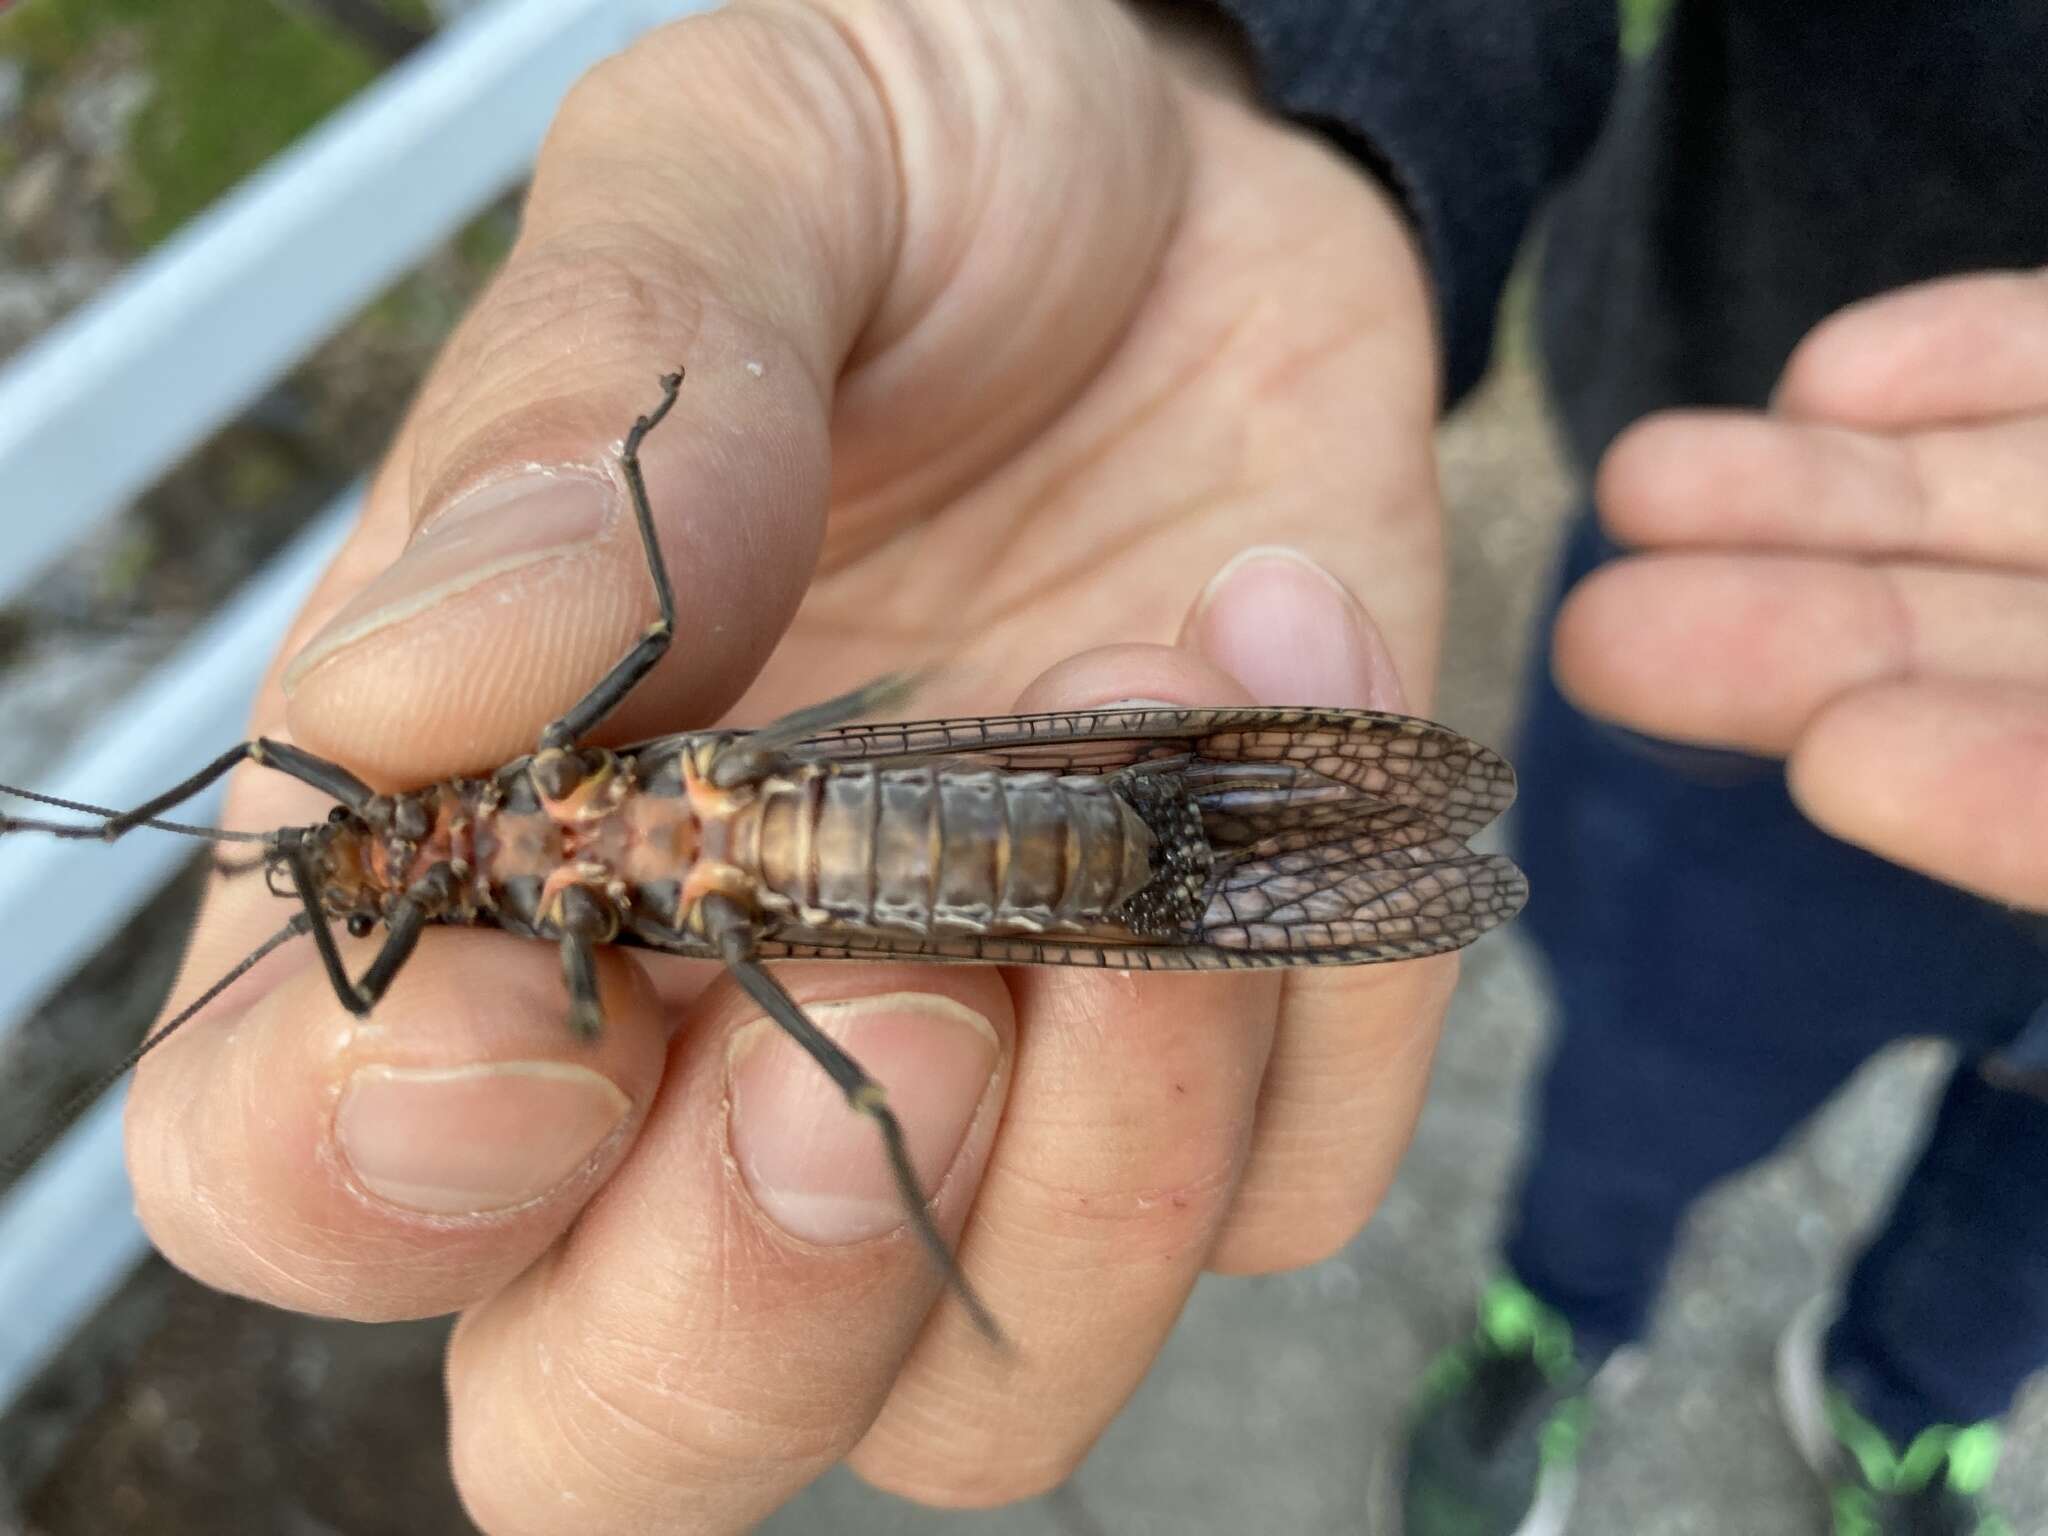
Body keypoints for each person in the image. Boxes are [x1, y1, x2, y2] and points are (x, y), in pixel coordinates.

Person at [113, 3, 2044, 1535]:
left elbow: (392, 770)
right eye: (369, 869)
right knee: (891, 1089)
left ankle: (1878, 1373)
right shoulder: (532, 899)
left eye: (357, 852)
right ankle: (1620, 1314)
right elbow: (370, 926)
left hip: (851, 824)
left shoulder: (527, 792)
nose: (359, 859)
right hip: (858, 859)